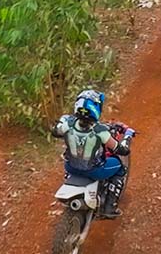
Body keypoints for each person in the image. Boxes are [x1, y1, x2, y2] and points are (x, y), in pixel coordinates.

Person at [51, 88, 134, 218]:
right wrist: (127, 136)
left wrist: (62, 121)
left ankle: (69, 179)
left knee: (70, 159)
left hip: (71, 167)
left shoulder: (69, 124)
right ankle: (109, 208)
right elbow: (121, 150)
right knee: (119, 167)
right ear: (96, 108)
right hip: (94, 170)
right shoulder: (100, 131)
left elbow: (55, 131)